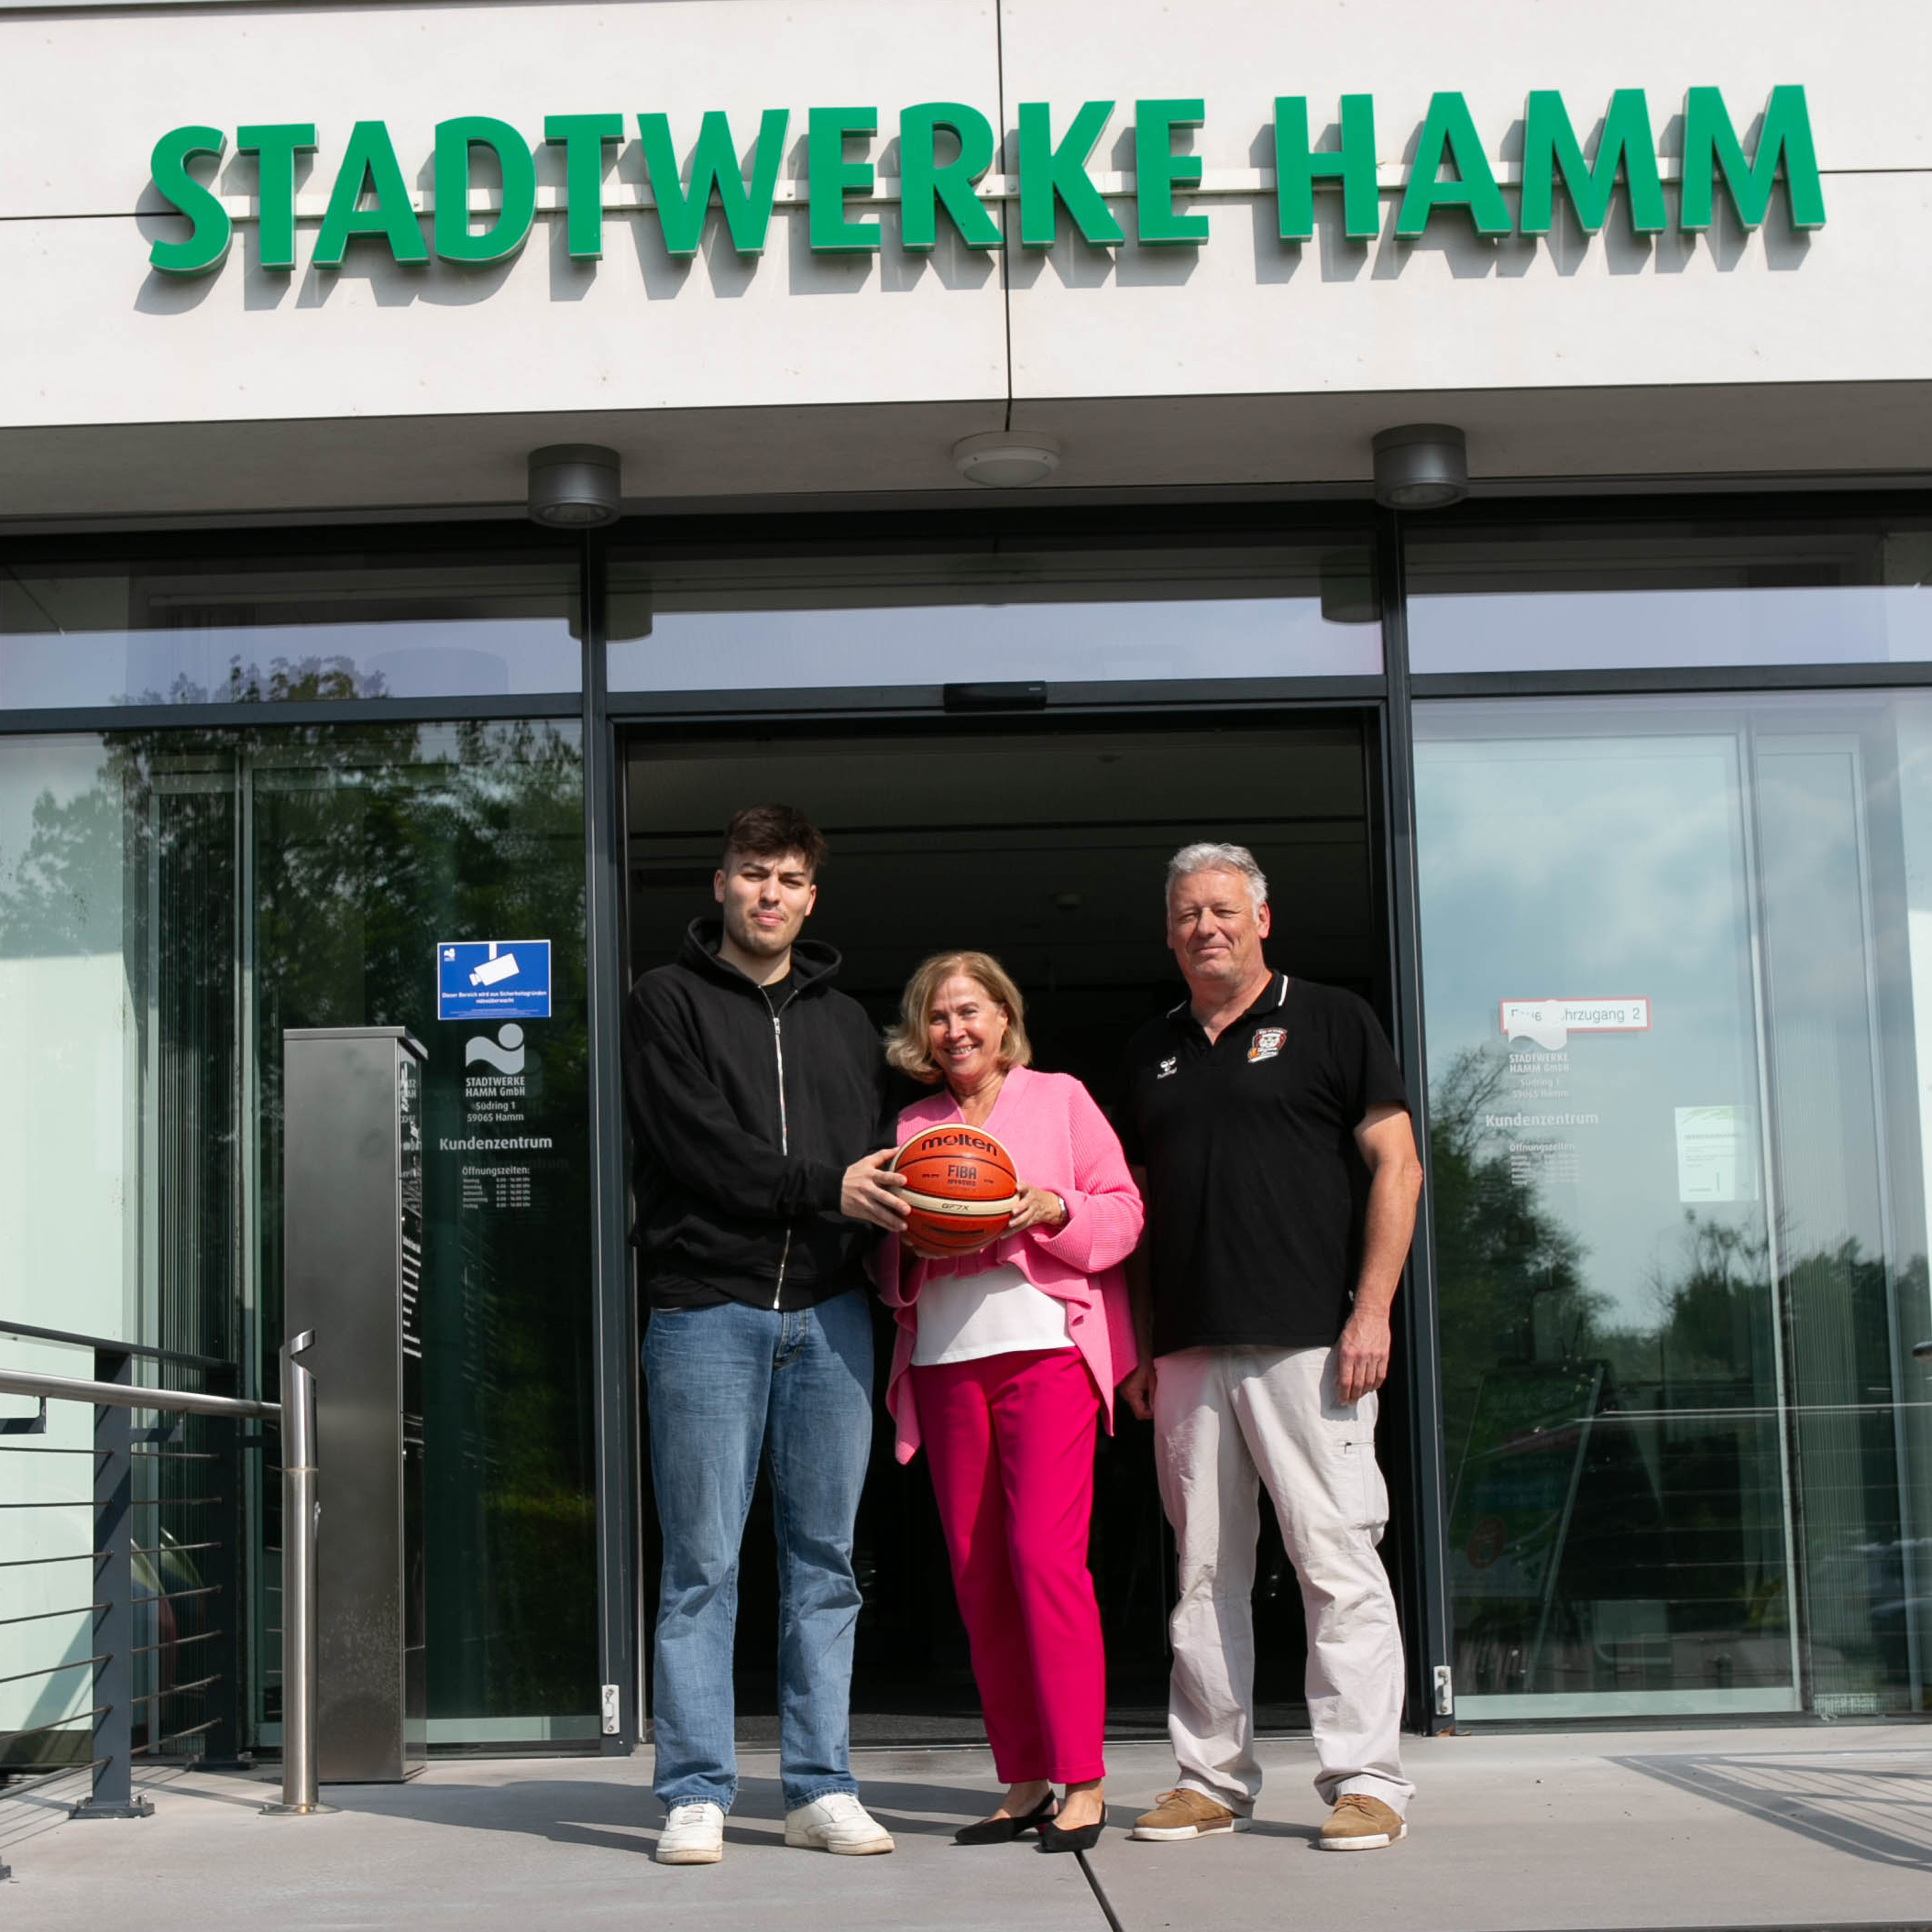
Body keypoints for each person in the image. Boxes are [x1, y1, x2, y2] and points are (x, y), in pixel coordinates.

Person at [1117, 841, 1424, 1852]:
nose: (1204, 926)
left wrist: (1371, 1310)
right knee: (1203, 1572)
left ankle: (1366, 1780)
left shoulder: (1331, 1017)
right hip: (1188, 1351)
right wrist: (1140, 1344)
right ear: (1169, 934)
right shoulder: (1149, 1050)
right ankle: (1209, 1777)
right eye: (1186, 913)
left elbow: (1398, 1165)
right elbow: (1138, 1212)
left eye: (1221, 908)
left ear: (1261, 918)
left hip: (1311, 1344)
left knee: (1334, 1558)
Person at [622, 803, 911, 1866]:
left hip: (831, 1312)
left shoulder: (848, 1024)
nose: (769, 893)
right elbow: (693, 1144)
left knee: (824, 1561)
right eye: (753, 872)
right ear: (720, 883)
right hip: (706, 1306)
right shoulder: (664, 999)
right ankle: (695, 1789)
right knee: (702, 1560)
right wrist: (823, 1188)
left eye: (788, 878)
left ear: (810, 896)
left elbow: (890, 1155)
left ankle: (818, 1786)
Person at [875, 951, 1143, 1852]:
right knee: (976, 1571)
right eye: (937, 1015)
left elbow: (1123, 1212)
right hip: (946, 1362)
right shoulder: (914, 1124)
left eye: (969, 1011)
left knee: (1043, 1559)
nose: (955, 1029)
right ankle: (1025, 1779)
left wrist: (1050, 1207)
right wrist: (911, 1238)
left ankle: (1082, 1778)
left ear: (1002, 1018)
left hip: (1045, 1352)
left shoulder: (1060, 1098)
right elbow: (887, 1258)